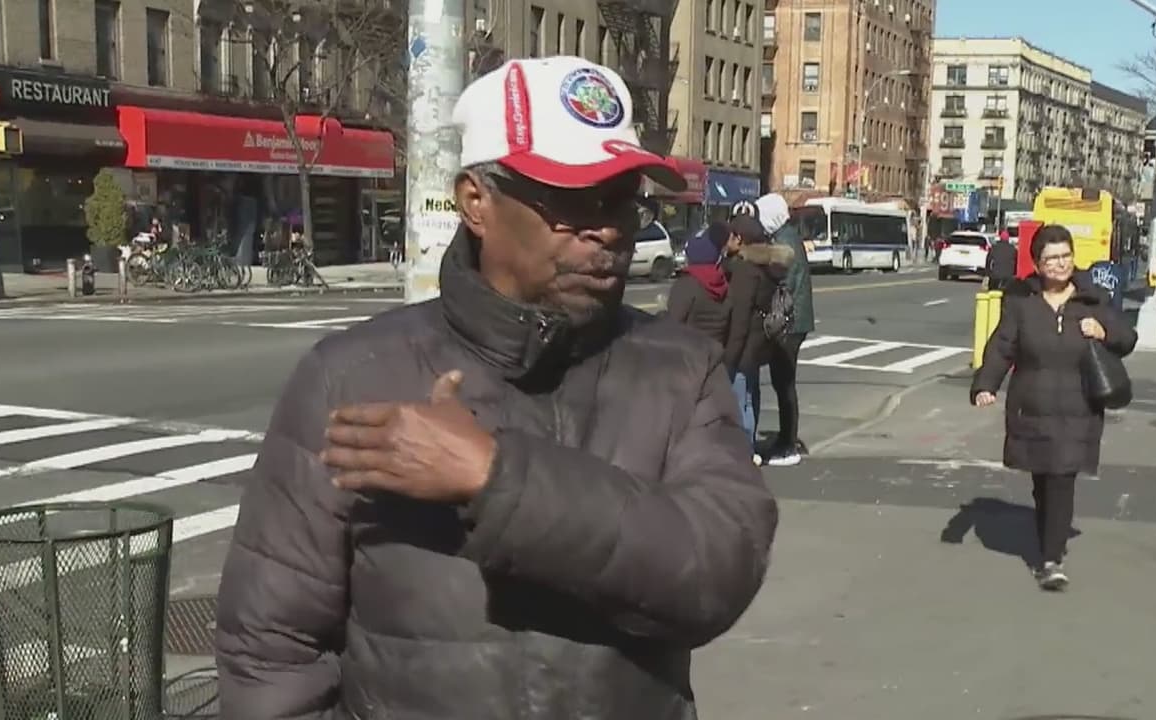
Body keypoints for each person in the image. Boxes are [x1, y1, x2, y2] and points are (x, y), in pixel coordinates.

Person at [214, 56, 779, 720]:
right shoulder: (350, 376)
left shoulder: (680, 370)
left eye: (622, 201)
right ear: (476, 202)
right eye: (570, 200)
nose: (606, 230)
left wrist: (497, 478)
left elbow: (716, 574)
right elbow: (271, 652)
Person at [971, 224, 1136, 590]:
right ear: (1037, 264)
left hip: (1079, 408)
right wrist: (985, 385)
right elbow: (1002, 347)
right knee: (1043, 482)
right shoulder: (1022, 303)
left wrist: (1103, 332)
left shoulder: (1093, 300)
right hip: (1032, 406)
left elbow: (1127, 338)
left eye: (1066, 256)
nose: (1060, 264)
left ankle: (1051, 559)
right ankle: (1049, 536)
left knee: (1062, 479)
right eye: (1051, 258)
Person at [723, 212, 793, 462]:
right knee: (750, 397)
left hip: (745, 347)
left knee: (740, 399)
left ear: (739, 239)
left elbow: (740, 318)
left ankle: (745, 451)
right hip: (759, 344)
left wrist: (730, 356)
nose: (726, 240)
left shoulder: (745, 270)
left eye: (730, 236)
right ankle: (749, 447)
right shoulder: (766, 265)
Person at [754, 193, 815, 466]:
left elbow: (781, 281)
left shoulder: (783, 241)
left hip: (790, 322)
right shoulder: (787, 235)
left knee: (784, 383)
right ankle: (785, 438)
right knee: (783, 383)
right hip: (796, 320)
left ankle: (788, 444)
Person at [665, 221, 731, 345]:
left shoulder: (686, 285)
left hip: (690, 351)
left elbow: (673, 324)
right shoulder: (724, 284)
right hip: (717, 351)